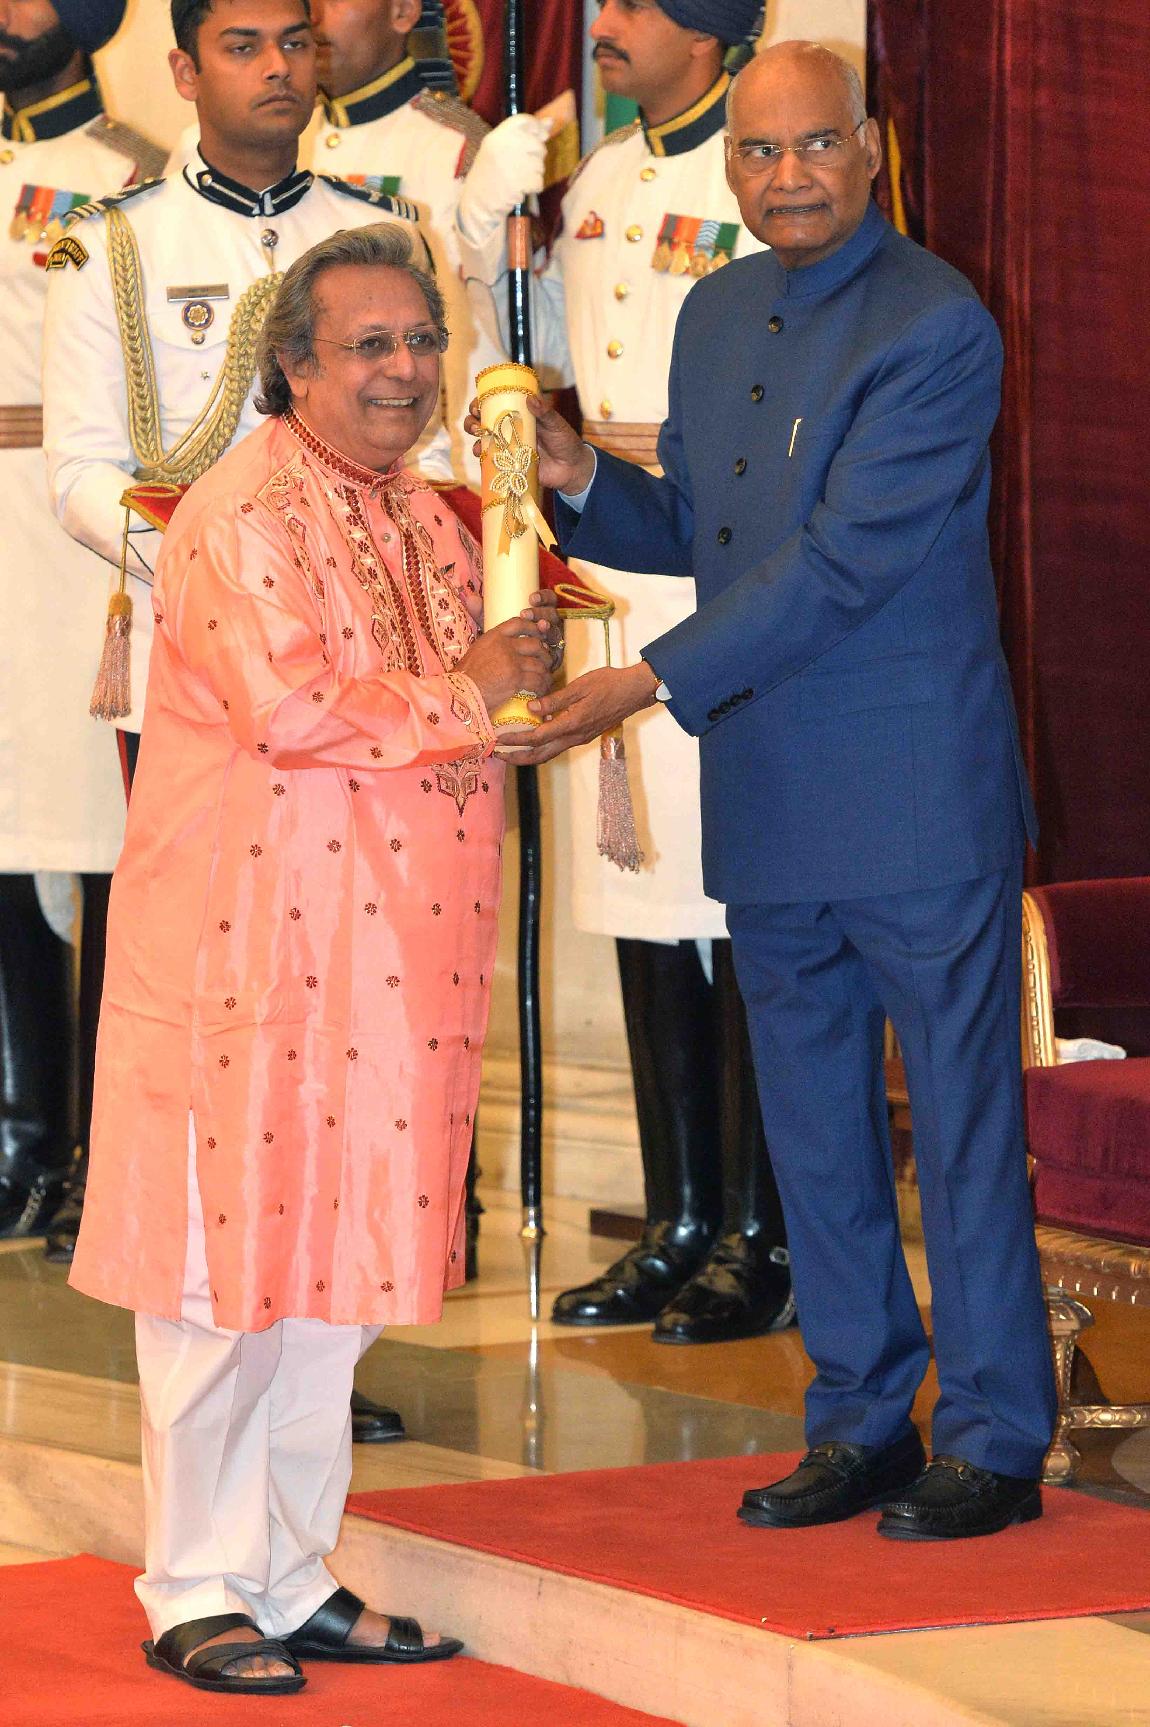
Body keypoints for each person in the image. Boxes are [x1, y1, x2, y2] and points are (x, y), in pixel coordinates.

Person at [493, 41, 1057, 1540]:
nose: (786, 176)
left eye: (814, 145)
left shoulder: (934, 323)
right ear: (729, 165)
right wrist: (574, 477)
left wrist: (640, 680)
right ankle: (859, 1418)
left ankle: (994, 1436)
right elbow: (705, 526)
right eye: (757, 152)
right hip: (767, 786)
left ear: (869, 145)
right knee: (809, 1129)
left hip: (911, 794)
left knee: (959, 1129)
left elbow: (841, 563)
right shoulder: (717, 308)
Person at [68, 221, 560, 1693]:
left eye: (422, 340)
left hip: (388, 966)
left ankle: (287, 1572)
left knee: (329, 1287)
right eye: (370, 345)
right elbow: (288, 710)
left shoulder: (426, 514)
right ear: (293, 367)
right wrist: (472, 685)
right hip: (248, 959)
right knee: (218, 1284)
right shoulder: (242, 513)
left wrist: (540, 693)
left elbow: (468, 702)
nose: (406, 368)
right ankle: (193, 1584)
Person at [41, 0, 440, 1442]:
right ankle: (222, 1297)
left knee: (356, 1003)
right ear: (184, 67)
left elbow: (425, 447)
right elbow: (80, 469)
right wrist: (226, 566)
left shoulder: (379, 232)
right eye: (245, 44)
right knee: (227, 1004)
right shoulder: (114, 242)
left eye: (296, 43)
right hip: (207, 677)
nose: (279, 69)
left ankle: (327, 1313)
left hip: (371, 689)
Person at [456, 0, 792, 1344]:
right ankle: (680, 1218)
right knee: (643, 908)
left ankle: (762, 1231)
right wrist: (496, 239)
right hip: (607, 554)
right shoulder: (597, 175)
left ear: (708, 30)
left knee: (737, 912)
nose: (607, 22)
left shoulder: (754, 165)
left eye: (641, 5)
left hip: (721, 561)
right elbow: (536, 362)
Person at [0, 0, 164, 1244]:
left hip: (82, 544)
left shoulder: (135, 176)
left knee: (115, 844)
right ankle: (24, 1136)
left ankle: (111, 1147)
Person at [309, 0, 499, 481]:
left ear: (402, 12)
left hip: (431, 465)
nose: (314, 15)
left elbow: (488, 329)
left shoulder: (458, 146)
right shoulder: (285, 139)